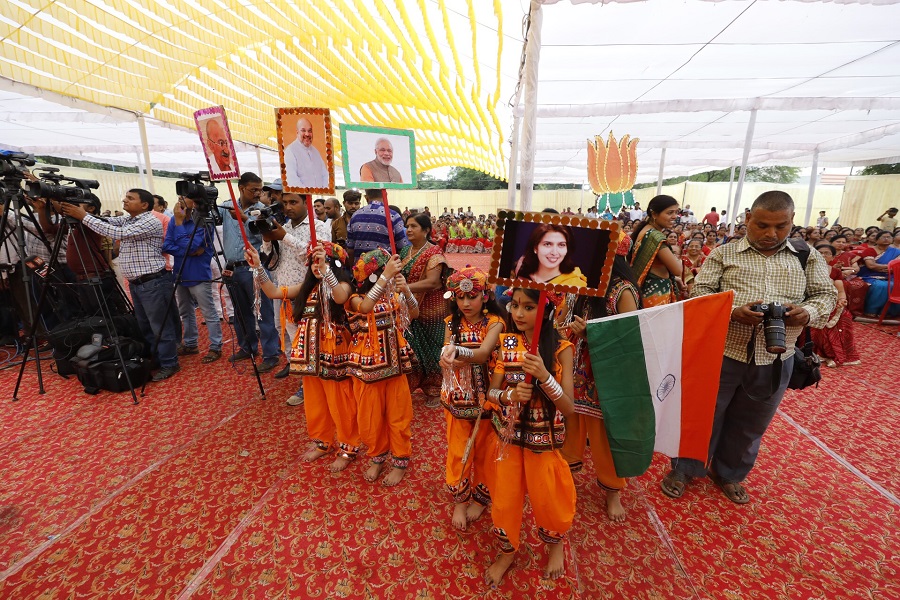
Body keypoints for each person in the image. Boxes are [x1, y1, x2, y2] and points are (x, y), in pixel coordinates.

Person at [660, 191, 836, 505]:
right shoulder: (724, 253)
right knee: (702, 415)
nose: (771, 233)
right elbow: (701, 294)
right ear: (748, 218)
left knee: (752, 421)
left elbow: (826, 296)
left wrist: (807, 312)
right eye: (763, 225)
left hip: (776, 357)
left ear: (791, 221)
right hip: (723, 351)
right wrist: (733, 313)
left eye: (780, 226)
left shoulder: (806, 256)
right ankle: (685, 469)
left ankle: (729, 474)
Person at [484, 289, 575, 587]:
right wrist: (510, 394)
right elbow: (491, 392)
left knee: (547, 495)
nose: (519, 313)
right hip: (508, 438)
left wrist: (545, 377)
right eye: (516, 305)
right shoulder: (505, 342)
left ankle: (554, 543)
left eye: (529, 307)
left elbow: (569, 408)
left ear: (547, 310)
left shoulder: (562, 348)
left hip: (543, 440)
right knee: (505, 497)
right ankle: (507, 551)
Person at [247, 242, 362, 471]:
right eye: (313, 262)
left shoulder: (345, 285)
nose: (316, 266)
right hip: (308, 355)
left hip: (334, 354)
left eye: (323, 261)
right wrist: (259, 267)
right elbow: (273, 292)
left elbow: (339, 298)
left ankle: (348, 447)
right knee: (314, 401)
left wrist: (326, 272)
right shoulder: (307, 288)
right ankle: (323, 441)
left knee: (340, 403)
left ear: (335, 264)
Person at [60, 188, 182, 381]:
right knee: (146, 326)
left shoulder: (149, 220)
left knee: (160, 326)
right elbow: (106, 222)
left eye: (130, 198)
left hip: (153, 282)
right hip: (138, 283)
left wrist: (83, 216)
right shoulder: (130, 219)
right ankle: (157, 359)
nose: (124, 200)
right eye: (125, 197)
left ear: (144, 205)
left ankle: (169, 363)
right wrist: (83, 214)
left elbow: (117, 232)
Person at [562, 236, 640, 523]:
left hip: (605, 375)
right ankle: (566, 477)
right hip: (577, 369)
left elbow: (631, 339)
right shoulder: (584, 286)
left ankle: (612, 492)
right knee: (570, 425)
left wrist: (589, 335)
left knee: (603, 437)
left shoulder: (622, 291)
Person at [439, 267, 505, 531]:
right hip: (457, 398)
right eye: (460, 297)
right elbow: (446, 353)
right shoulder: (450, 322)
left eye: (472, 296)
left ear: (485, 296)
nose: (466, 303)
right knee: (458, 451)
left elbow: (484, 353)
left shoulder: (496, 322)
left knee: (485, 452)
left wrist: (455, 351)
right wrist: (445, 358)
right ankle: (460, 499)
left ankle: (481, 496)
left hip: (487, 397)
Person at [346, 248, 418, 486]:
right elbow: (366, 307)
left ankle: (400, 459)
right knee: (369, 417)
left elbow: (414, 313)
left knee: (399, 415)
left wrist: (405, 289)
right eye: (380, 273)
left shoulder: (393, 299)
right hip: (366, 371)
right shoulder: (353, 299)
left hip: (395, 367)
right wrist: (387, 276)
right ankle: (377, 456)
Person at [259, 192, 331, 393]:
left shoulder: (319, 228)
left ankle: (318, 383)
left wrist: (285, 237)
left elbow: (316, 258)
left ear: (306, 202)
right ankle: (305, 382)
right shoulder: (284, 228)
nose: (288, 207)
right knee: (293, 340)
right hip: (284, 294)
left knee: (313, 342)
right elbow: (272, 263)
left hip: (310, 295)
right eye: (285, 203)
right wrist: (267, 239)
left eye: (293, 202)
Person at [217, 172, 281, 373]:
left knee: (263, 313)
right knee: (240, 312)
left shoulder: (262, 210)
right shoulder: (226, 207)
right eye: (253, 189)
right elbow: (208, 219)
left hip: (254, 268)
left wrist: (245, 219)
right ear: (241, 188)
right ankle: (248, 347)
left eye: (260, 189)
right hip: (232, 268)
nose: (257, 193)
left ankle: (271, 353)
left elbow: (266, 233)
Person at [163, 196, 222, 364]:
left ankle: (215, 346)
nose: (180, 200)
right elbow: (167, 246)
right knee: (185, 311)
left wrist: (181, 227)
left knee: (208, 312)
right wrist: (188, 249)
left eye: (186, 197)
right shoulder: (175, 219)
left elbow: (194, 245)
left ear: (195, 202)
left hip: (198, 274)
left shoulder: (203, 221)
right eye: (180, 196)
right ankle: (190, 344)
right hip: (180, 273)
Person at [399, 213, 449, 408]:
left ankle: (435, 389)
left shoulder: (434, 252)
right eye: (407, 226)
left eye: (414, 226)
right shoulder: (404, 252)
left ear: (426, 230)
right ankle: (412, 384)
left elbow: (433, 282)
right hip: (408, 309)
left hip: (431, 308)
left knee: (433, 349)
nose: (409, 230)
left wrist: (404, 288)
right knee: (412, 347)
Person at [628, 195, 683, 307]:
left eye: (676, 212)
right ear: (654, 214)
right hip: (655, 295)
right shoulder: (655, 236)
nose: (674, 217)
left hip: (648, 292)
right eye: (669, 213)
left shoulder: (645, 231)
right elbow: (678, 270)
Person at [810, 244, 860, 367]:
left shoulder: (835, 271)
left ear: (832, 257)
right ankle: (813, 351)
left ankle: (833, 353)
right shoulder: (805, 269)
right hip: (811, 302)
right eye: (819, 252)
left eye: (826, 253)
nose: (822, 255)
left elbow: (841, 291)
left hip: (831, 301)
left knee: (844, 315)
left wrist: (842, 300)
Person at [345, 188, 409, 262]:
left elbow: (350, 250)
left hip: (360, 270)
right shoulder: (393, 216)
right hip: (386, 270)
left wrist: (352, 270)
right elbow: (403, 248)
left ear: (366, 197)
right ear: (385, 195)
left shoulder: (355, 216)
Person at [515, 224, 587, 287]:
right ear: (535, 248)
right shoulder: (520, 271)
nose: (554, 252)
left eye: (561, 245)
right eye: (547, 244)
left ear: (567, 249)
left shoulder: (576, 284)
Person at [858, 230, 900, 318]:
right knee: (881, 286)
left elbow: (897, 266)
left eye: (889, 237)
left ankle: (889, 313)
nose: (886, 239)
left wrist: (884, 267)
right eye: (883, 237)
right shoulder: (869, 250)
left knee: (896, 285)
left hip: (891, 276)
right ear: (876, 240)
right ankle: (871, 311)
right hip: (870, 276)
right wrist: (889, 267)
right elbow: (871, 266)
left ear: (892, 239)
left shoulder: (896, 251)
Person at [284, 117, 329, 188]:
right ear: (297, 132)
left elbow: (325, 175)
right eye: (303, 130)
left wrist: (324, 190)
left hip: (318, 196)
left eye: (310, 131)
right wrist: (307, 194)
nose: (307, 134)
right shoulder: (290, 151)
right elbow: (291, 179)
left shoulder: (315, 151)